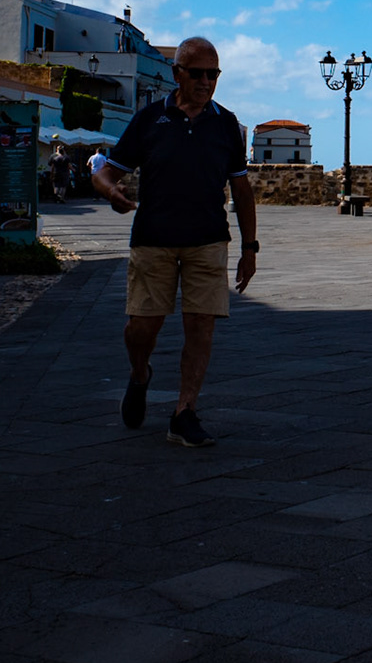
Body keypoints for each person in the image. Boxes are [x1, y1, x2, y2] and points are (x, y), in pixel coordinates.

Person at [92, 36, 257, 447]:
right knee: (141, 328)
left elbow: (242, 188)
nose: (205, 82)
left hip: (207, 240)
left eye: (213, 74)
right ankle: (140, 372)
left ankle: (185, 412)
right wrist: (111, 193)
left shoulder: (226, 124)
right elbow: (106, 172)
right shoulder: (150, 120)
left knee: (200, 325)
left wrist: (250, 248)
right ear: (176, 74)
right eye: (197, 73)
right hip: (153, 240)